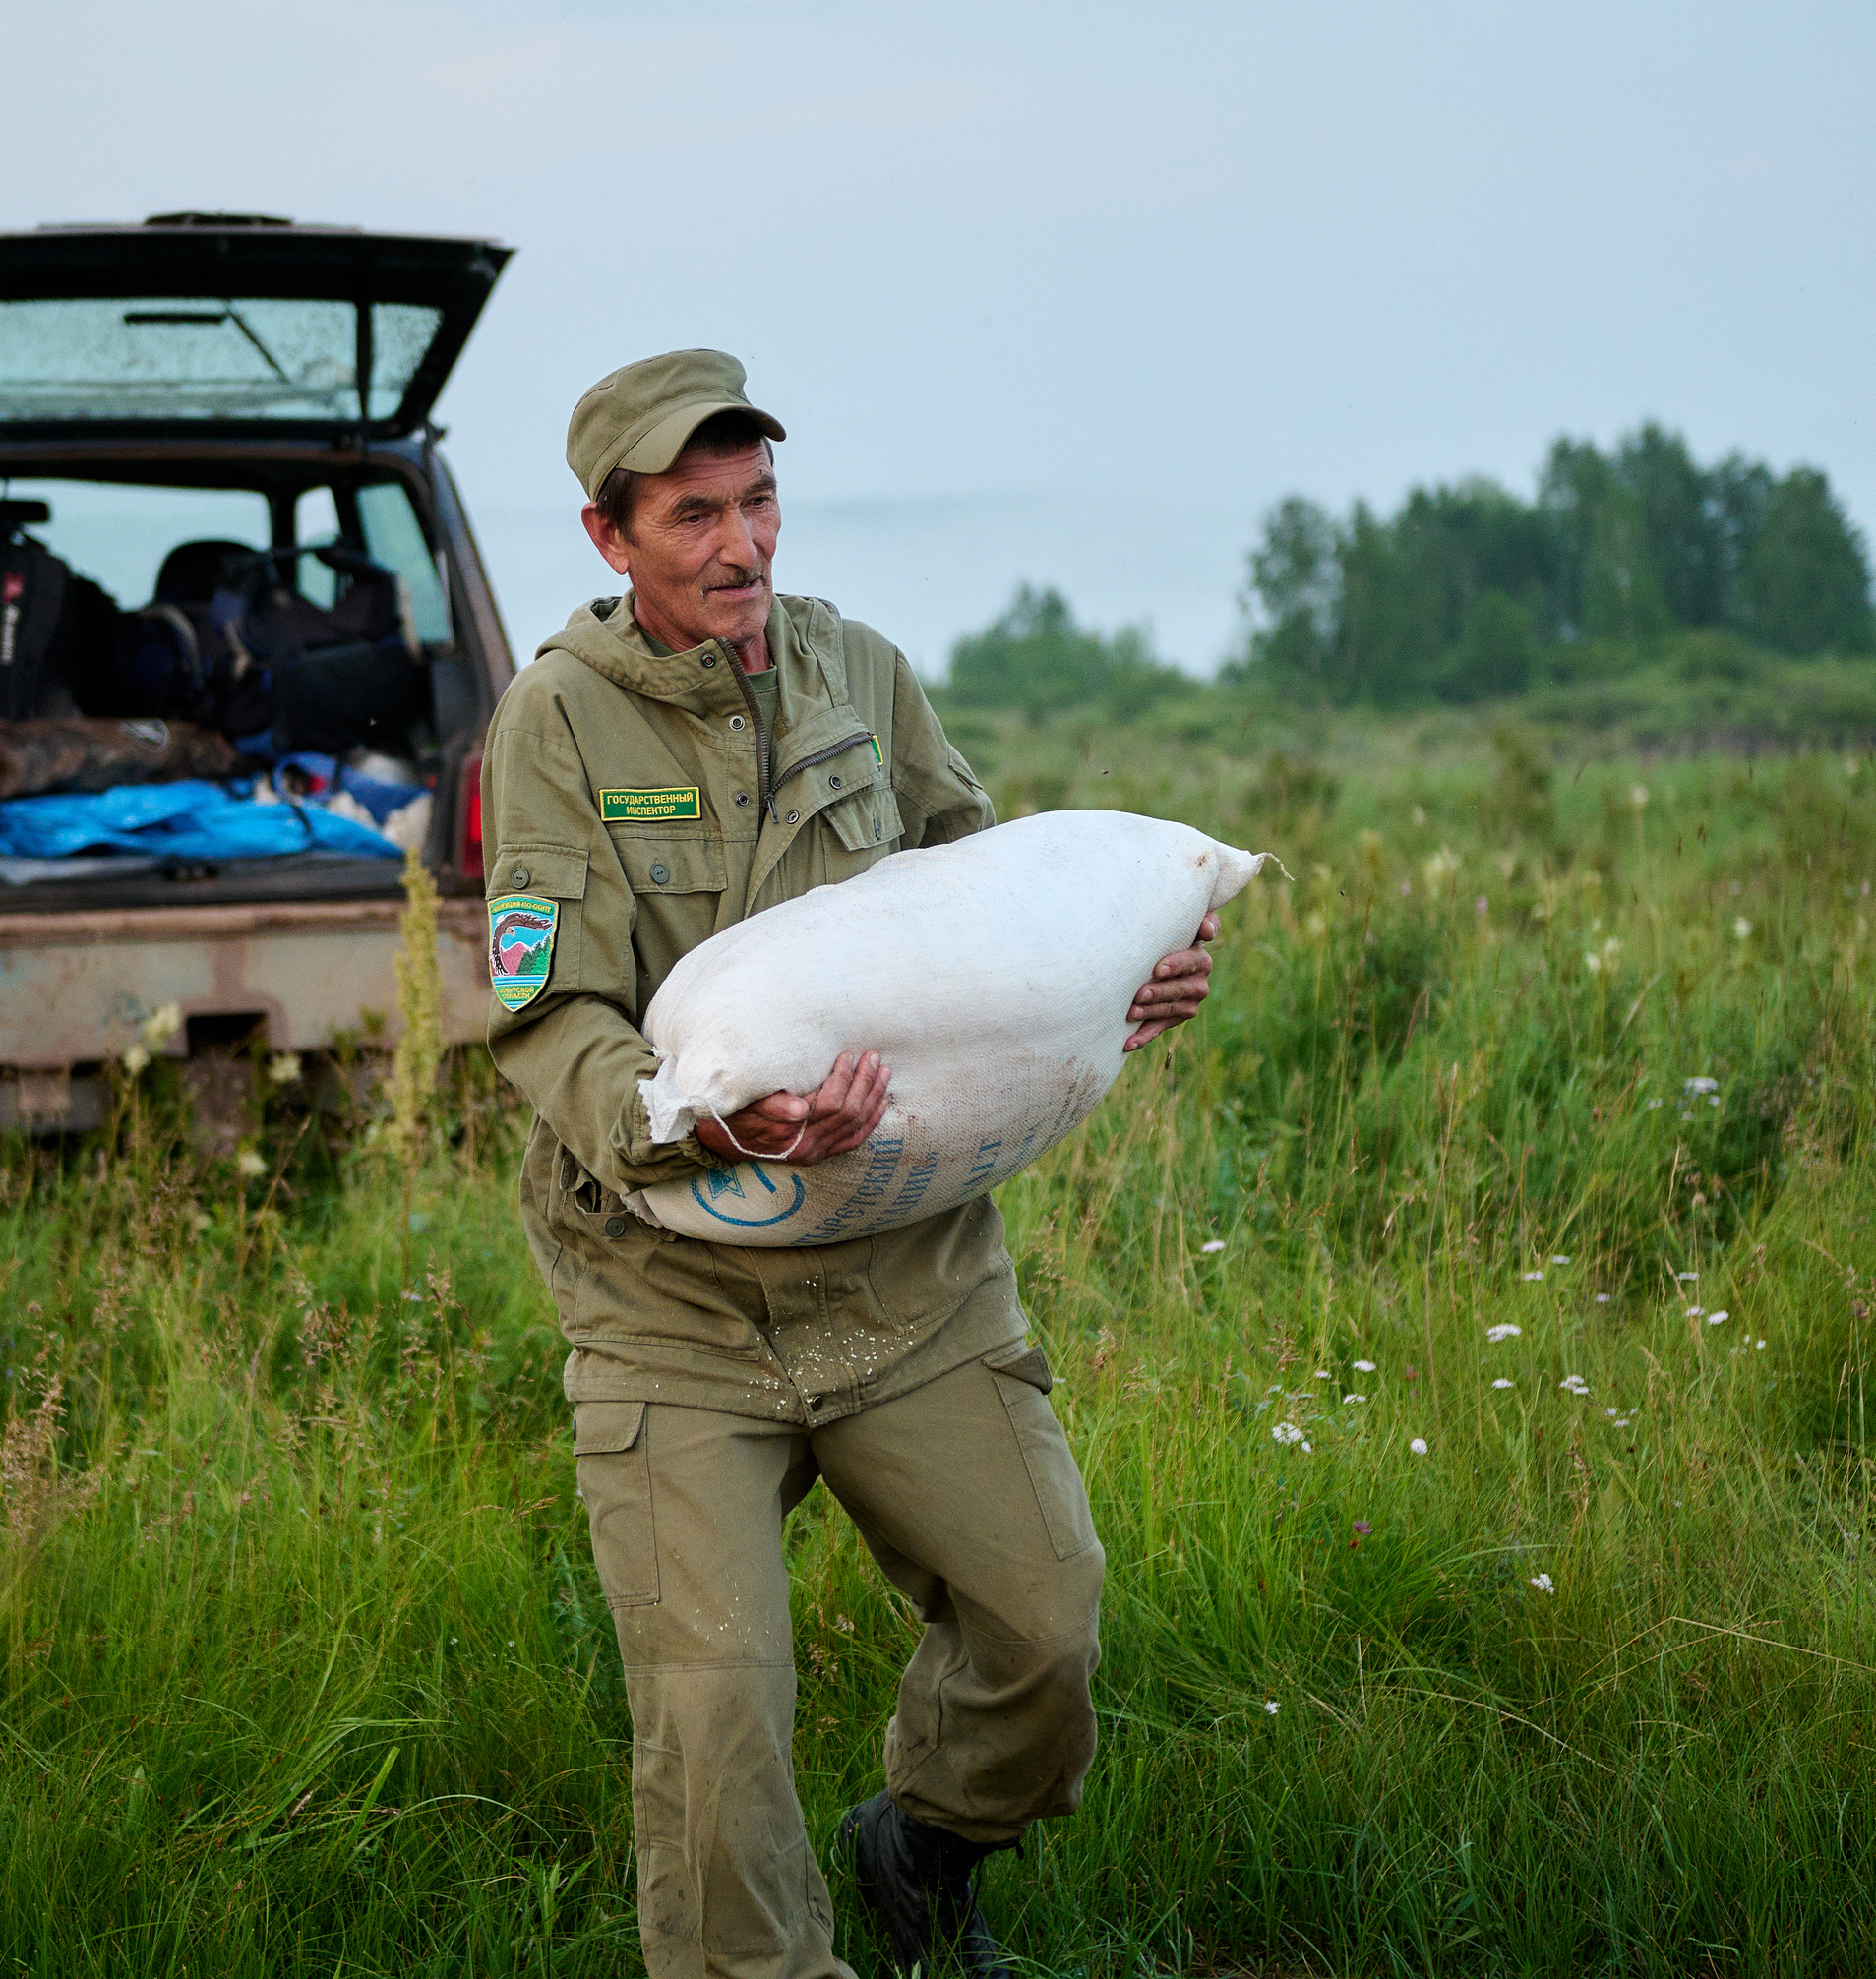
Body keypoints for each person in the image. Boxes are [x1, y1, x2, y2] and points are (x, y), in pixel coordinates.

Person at [478, 349, 1214, 1979]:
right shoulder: (555, 724)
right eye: (695, 517)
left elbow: (989, 905)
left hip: (904, 1270)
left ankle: (926, 1843)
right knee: (714, 1723)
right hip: (673, 1296)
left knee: (1045, 1630)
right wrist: (696, 1123)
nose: (743, 545)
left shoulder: (857, 674)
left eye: (758, 503)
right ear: (611, 539)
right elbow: (547, 1014)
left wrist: (1121, 977)